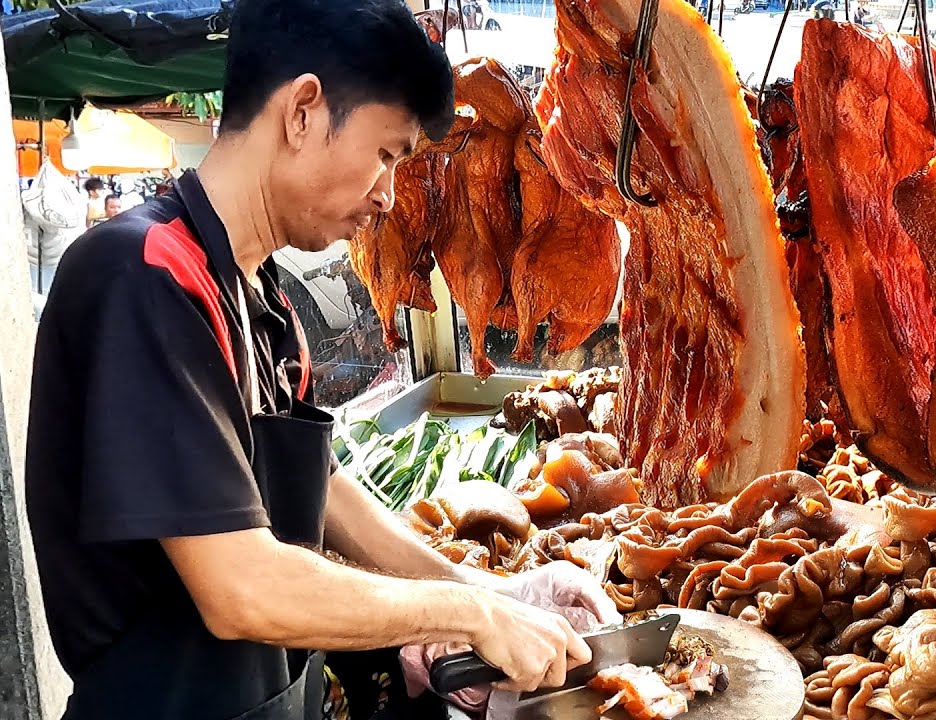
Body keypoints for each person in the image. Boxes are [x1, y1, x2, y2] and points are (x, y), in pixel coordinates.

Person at [25, 2, 617, 720]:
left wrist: (495, 592)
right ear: (304, 110)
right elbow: (243, 585)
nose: (390, 195)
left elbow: (327, 498)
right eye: (388, 154)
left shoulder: (265, 298)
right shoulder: (143, 275)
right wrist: (466, 615)